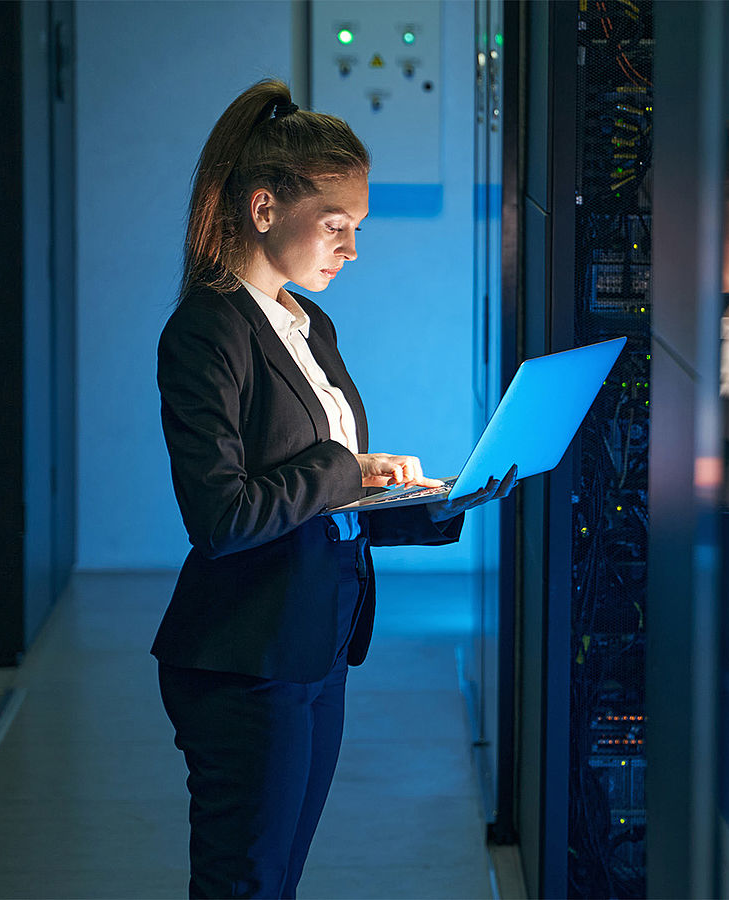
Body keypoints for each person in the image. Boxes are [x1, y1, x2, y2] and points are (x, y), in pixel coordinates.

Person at [151, 78, 515, 899]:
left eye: (358, 227)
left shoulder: (309, 324)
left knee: (277, 878)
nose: (350, 249)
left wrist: (435, 503)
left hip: (318, 637)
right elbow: (224, 517)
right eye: (337, 225)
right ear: (264, 207)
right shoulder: (206, 332)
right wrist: (347, 468)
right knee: (245, 882)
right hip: (247, 656)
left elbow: (321, 504)